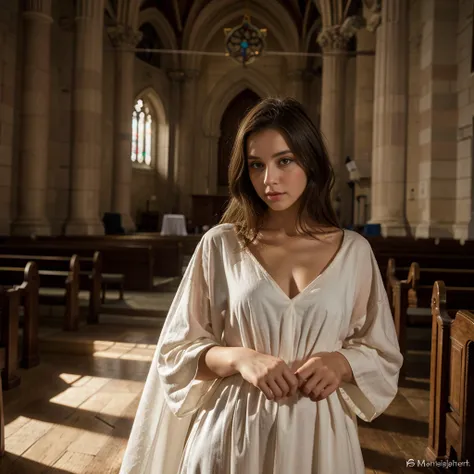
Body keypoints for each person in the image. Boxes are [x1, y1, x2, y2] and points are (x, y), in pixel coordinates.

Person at [119, 97, 403, 474]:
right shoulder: (220, 245)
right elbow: (175, 353)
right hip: (232, 435)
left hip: (321, 439)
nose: (269, 179)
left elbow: (382, 353)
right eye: (257, 165)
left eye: (284, 160)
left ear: (311, 160)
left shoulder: (354, 252)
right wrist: (240, 358)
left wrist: (342, 362)